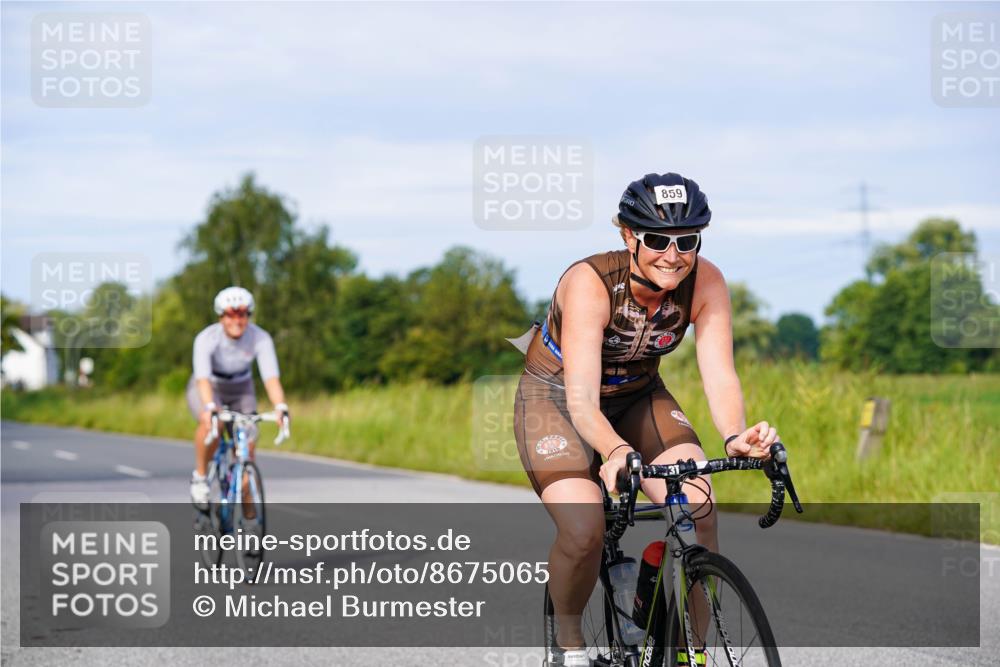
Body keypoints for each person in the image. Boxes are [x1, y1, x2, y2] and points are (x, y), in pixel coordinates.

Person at [513, 173, 779, 666]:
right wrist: (614, 450)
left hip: (639, 394)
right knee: (583, 527)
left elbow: (720, 374)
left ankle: (690, 655)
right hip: (557, 399)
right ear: (628, 236)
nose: (673, 254)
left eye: (687, 240)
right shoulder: (591, 284)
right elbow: (582, 403)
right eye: (657, 239)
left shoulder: (708, 282)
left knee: (698, 508)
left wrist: (736, 436)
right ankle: (569, 648)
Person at [187, 286, 289, 508]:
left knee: (248, 438)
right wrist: (210, 407)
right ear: (221, 317)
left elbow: (271, 378)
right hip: (209, 385)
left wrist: (280, 406)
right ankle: (201, 477)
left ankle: (247, 508)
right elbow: (202, 379)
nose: (237, 320)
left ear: (248, 316)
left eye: (242, 314)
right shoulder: (206, 338)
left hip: (241, 386)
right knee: (213, 425)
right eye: (231, 315)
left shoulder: (260, 338)